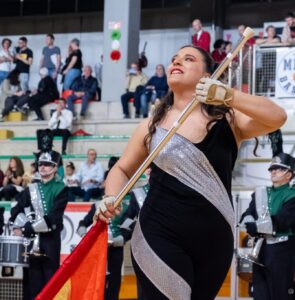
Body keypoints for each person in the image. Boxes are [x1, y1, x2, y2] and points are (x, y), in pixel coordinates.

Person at [94, 45, 286, 300]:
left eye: (188, 58)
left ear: (208, 75)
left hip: (215, 241)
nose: (177, 61)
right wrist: (110, 195)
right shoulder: (151, 125)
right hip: (158, 233)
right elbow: (122, 168)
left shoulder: (228, 119)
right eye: (174, 58)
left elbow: (277, 117)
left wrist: (228, 95)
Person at [10, 149, 68, 300]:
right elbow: (16, 209)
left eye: (47, 164)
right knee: (32, 283)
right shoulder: (32, 188)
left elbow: (54, 217)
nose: (42, 167)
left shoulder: (61, 188)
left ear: (55, 167)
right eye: (40, 164)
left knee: (50, 282)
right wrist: (21, 226)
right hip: (31, 241)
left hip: (50, 240)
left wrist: (30, 227)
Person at [239, 152, 295, 300]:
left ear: (289, 175)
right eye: (271, 169)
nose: (273, 171)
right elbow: (246, 215)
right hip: (261, 250)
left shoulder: (292, 195)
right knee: (260, 293)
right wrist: (249, 223)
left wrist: (256, 227)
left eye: (278, 169)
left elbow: (284, 220)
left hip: (283, 250)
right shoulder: (260, 193)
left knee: (280, 293)